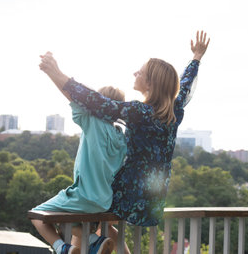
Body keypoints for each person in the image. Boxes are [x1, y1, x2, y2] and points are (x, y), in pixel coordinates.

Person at [38, 29, 210, 252]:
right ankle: (95, 243)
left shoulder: (141, 112)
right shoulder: (174, 111)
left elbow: (97, 102)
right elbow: (185, 85)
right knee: (104, 228)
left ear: (150, 84)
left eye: (140, 72)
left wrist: (57, 74)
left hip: (125, 197)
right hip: (152, 201)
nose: (135, 73)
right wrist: (196, 57)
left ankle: (90, 242)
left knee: (68, 218)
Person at [31, 86, 127, 254]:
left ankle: (63, 248)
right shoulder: (121, 137)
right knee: (68, 222)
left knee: (37, 215)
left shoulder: (91, 122)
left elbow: (75, 98)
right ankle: (94, 241)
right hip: (104, 201)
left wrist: (60, 78)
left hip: (83, 195)